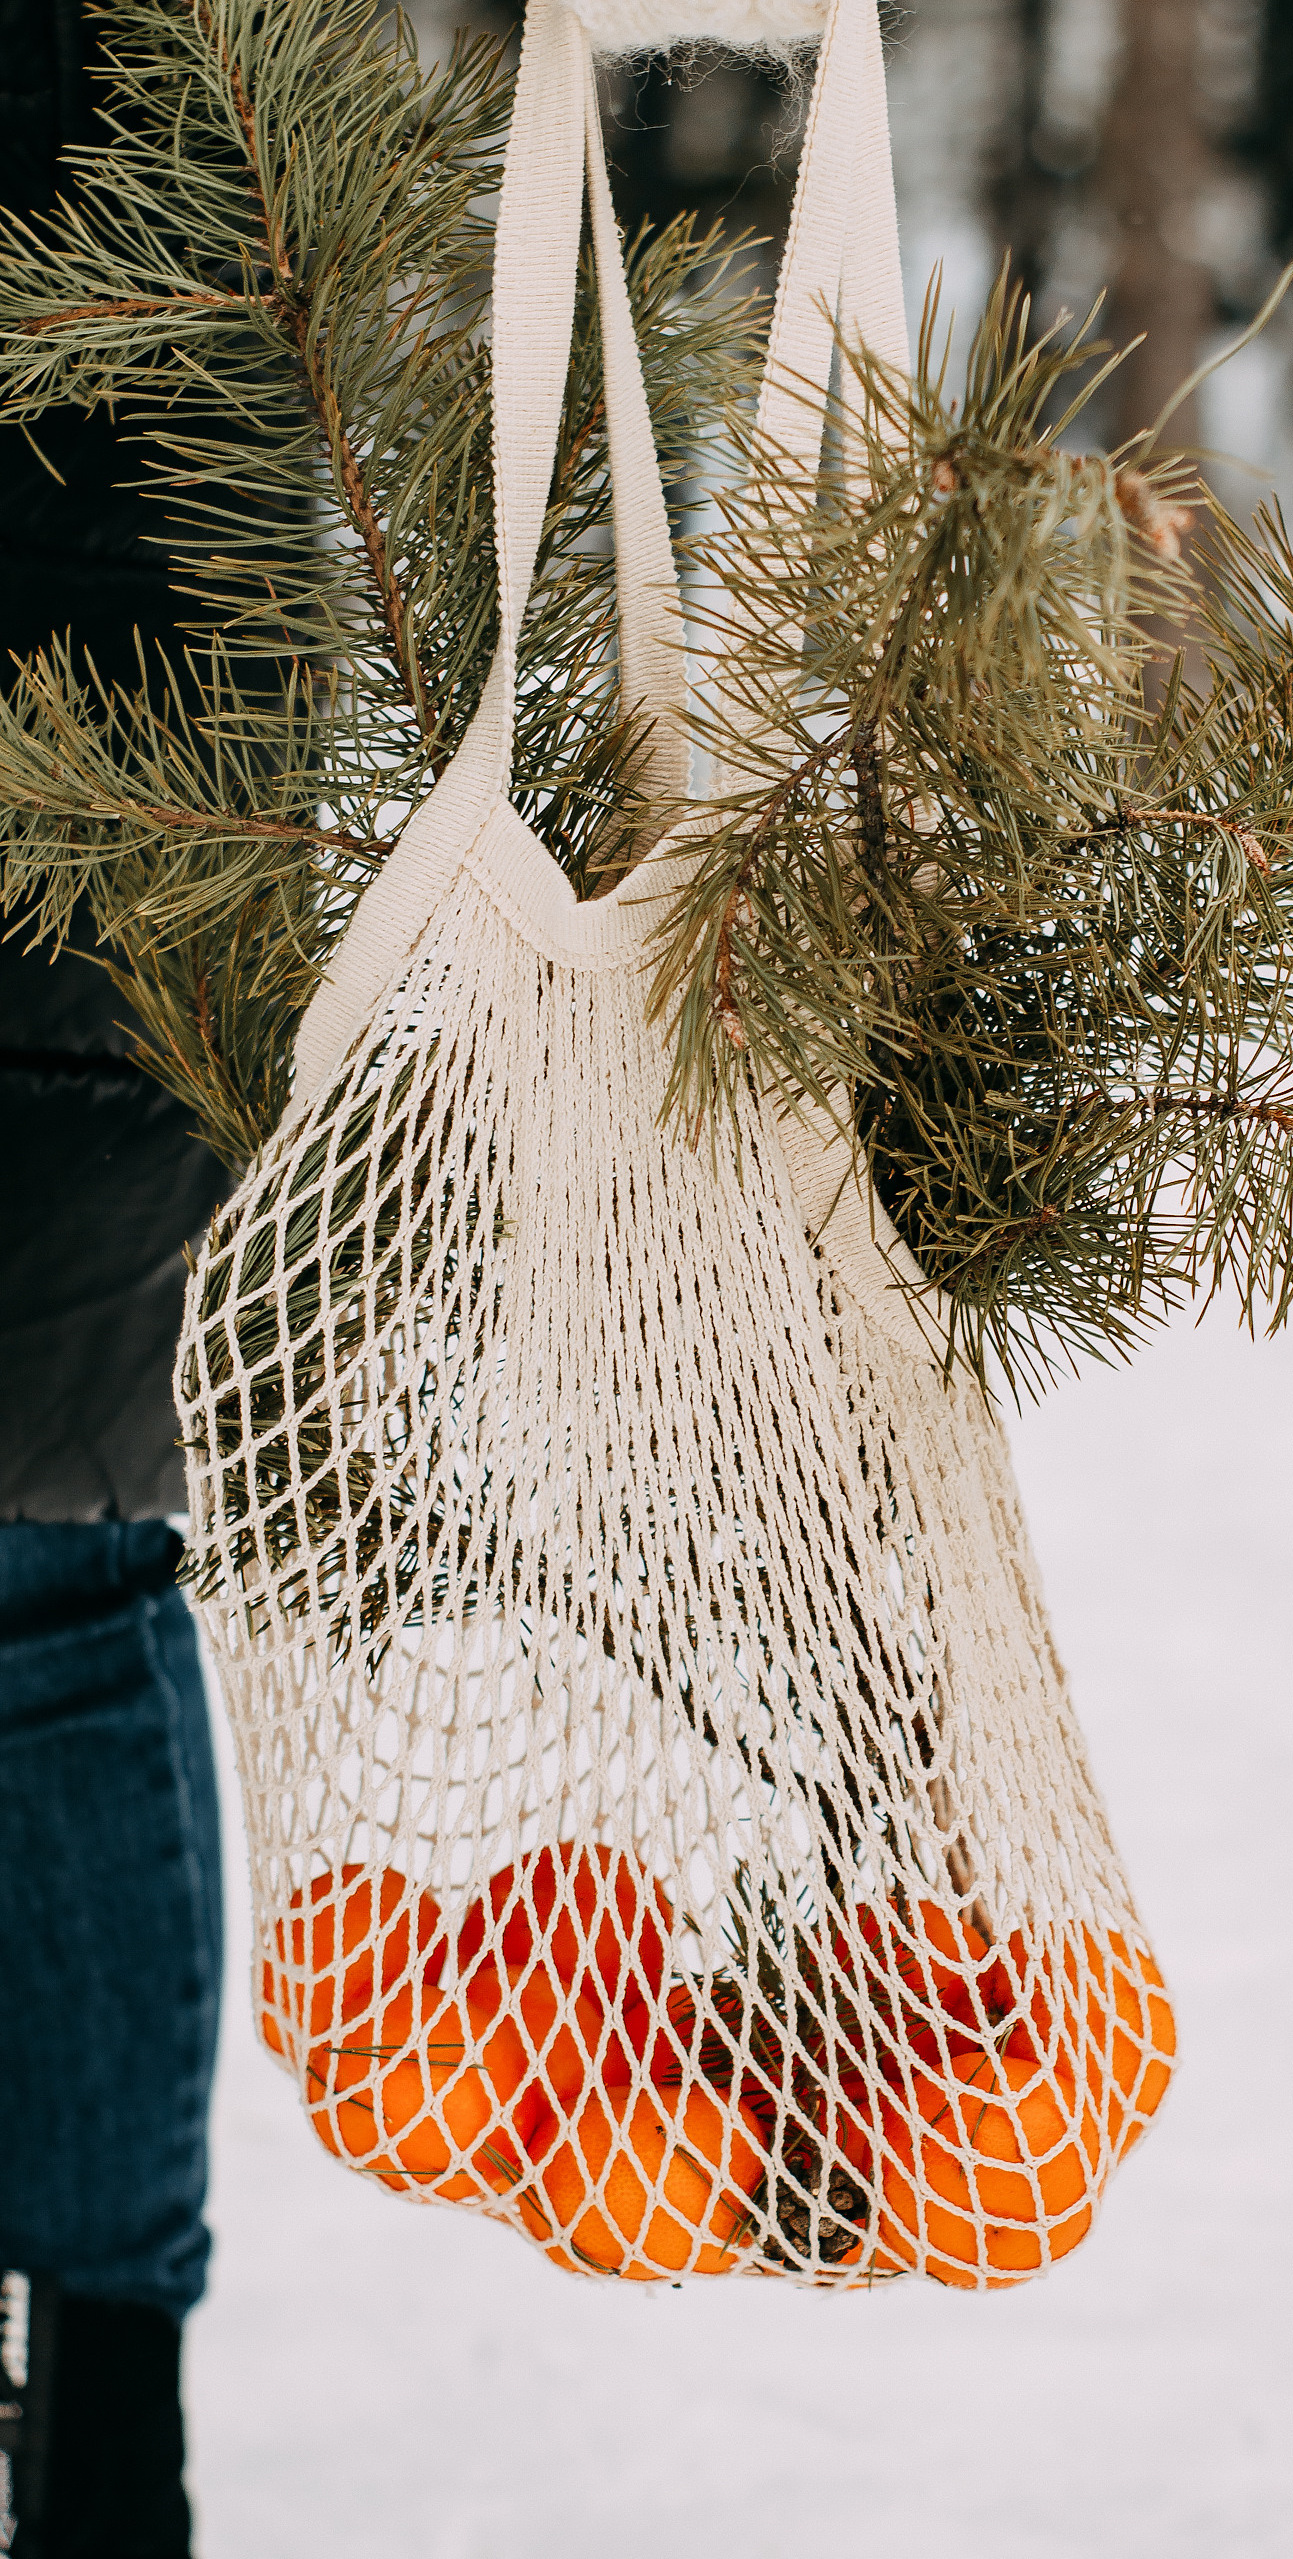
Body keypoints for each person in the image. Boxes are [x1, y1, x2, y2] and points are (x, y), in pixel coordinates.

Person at [0, 3, 230, 2549]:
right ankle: (106, 2444)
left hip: (118, 628)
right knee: (50, 1576)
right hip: (150, 637)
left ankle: (103, 2436)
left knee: (50, 1577)